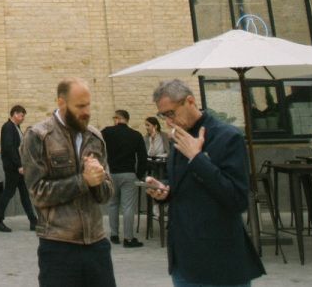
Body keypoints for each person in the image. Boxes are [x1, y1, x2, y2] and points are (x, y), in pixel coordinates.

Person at [144, 79, 265, 287]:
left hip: (219, 261)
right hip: (184, 259)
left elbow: (237, 199)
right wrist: (165, 190)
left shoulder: (228, 137)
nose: (168, 122)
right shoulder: (180, 137)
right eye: (163, 116)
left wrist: (197, 158)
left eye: (171, 113)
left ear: (189, 101)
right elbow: (184, 184)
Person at [21, 78, 116, 287]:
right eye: (80, 106)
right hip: (58, 246)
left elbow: (106, 194)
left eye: (88, 104)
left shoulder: (95, 137)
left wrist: (98, 179)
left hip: (97, 244)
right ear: (61, 102)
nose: (86, 111)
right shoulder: (38, 136)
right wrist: (83, 181)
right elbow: (37, 193)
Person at [100, 109, 148, 248]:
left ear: (117, 118)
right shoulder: (136, 135)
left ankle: (114, 235)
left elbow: (98, 145)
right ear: (127, 119)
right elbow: (143, 158)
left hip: (112, 173)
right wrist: (139, 174)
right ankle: (128, 238)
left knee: (113, 204)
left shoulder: (107, 132)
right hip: (128, 173)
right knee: (128, 207)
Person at [0, 104, 38, 233]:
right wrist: (18, 165)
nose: (23, 118)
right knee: (8, 193)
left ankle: (33, 221)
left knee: (24, 194)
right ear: (15, 114)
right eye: (21, 115)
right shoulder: (8, 127)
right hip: (13, 168)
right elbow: (9, 148)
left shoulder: (16, 127)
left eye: (23, 116)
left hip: (18, 167)